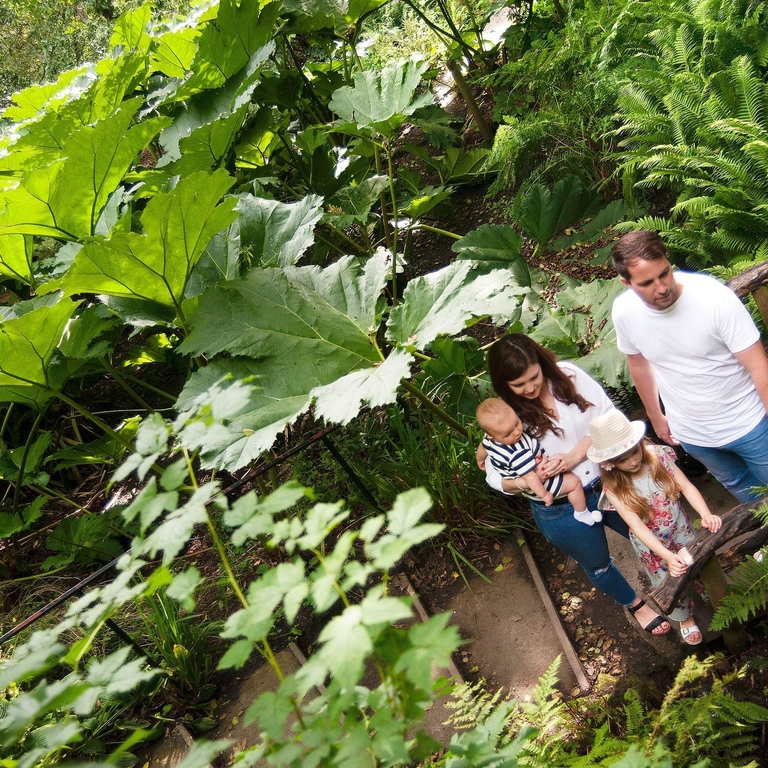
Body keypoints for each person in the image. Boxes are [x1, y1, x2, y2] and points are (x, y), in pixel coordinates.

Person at [478, 334, 671, 635]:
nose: (529, 389)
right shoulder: (504, 416)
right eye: (518, 385)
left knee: (656, 534)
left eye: (533, 377)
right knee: (598, 565)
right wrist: (525, 482)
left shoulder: (569, 377)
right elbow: (492, 474)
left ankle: (679, 587)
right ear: (505, 386)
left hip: (610, 484)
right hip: (560, 508)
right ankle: (635, 604)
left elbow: (609, 417)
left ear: (541, 363)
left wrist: (571, 458)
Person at [611, 230, 768, 503]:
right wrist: (655, 415)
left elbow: (758, 365)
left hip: (751, 423)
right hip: (693, 434)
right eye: (647, 282)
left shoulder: (714, 298)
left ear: (668, 261)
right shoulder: (624, 311)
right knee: (745, 493)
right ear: (626, 282)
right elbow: (637, 361)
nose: (661, 287)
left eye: (664, 273)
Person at [588, 409, 723, 645]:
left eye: (634, 451)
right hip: (651, 545)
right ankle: (684, 617)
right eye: (622, 459)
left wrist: (705, 513)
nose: (632, 461)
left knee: (697, 560)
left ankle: (708, 590)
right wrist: (667, 556)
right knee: (668, 578)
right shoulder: (615, 487)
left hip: (680, 526)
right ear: (609, 463)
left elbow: (687, 486)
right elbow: (637, 527)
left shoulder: (658, 457)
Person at [476, 397, 603, 525]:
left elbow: (483, 446)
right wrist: (544, 495)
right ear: (493, 436)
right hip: (539, 483)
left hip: (532, 477)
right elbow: (531, 477)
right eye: (508, 434)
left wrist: (479, 458)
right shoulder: (518, 451)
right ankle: (582, 513)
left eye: (516, 423)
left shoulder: (490, 439)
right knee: (574, 483)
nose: (517, 432)